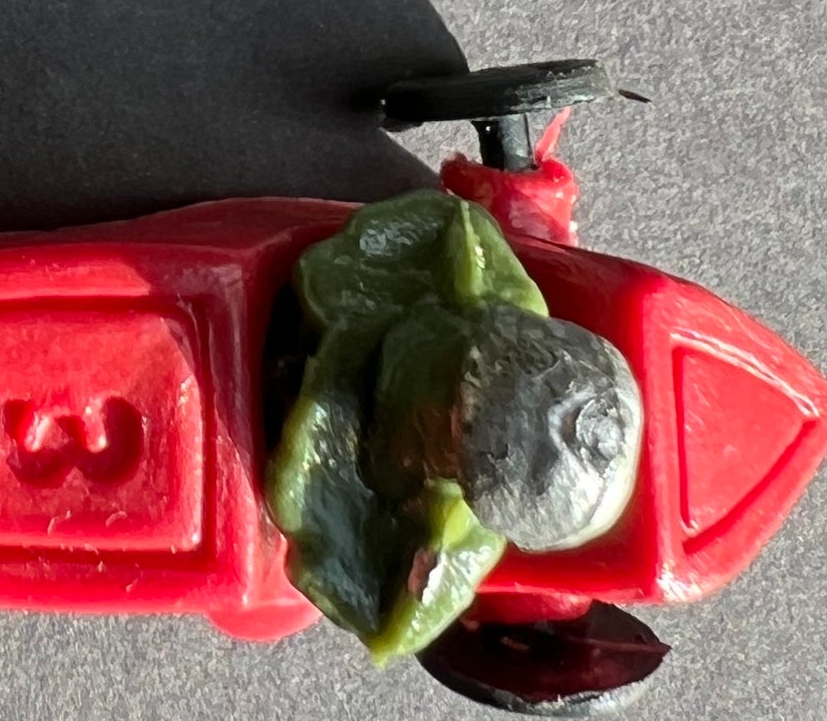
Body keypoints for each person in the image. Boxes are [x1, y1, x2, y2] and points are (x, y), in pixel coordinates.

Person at [267, 188, 644, 660]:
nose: (442, 406)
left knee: (264, 611)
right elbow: (454, 225)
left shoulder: (442, 547)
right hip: (311, 301)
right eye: (458, 386)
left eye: (455, 434)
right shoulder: (467, 261)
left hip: (287, 464)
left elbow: (390, 622)